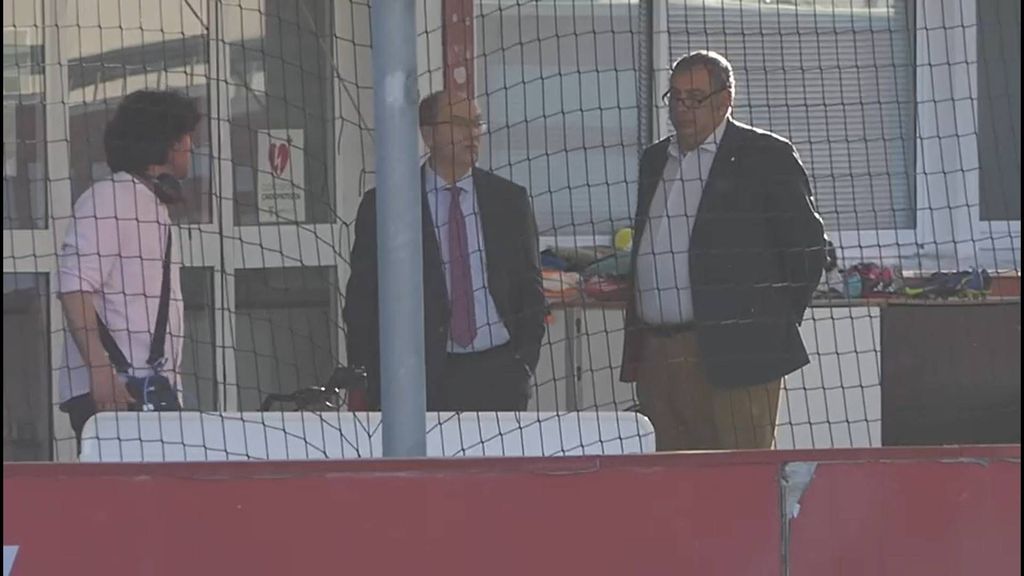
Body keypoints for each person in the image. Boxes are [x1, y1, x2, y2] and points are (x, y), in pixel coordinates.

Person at [620, 51, 827, 451]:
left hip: (739, 358)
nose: (682, 109)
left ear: (725, 100)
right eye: (675, 97)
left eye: (695, 98)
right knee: (670, 484)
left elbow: (807, 250)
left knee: (739, 482)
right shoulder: (655, 161)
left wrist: (765, 323)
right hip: (659, 356)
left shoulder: (764, 156)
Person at [344, 90, 546, 412]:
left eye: (477, 123)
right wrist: (368, 377)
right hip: (419, 379)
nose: (472, 133)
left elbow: (531, 291)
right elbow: (363, 301)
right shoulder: (388, 205)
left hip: (499, 373)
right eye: (459, 122)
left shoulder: (508, 200)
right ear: (428, 134)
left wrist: (523, 363)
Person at [57, 90, 199, 444]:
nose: (191, 147)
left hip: (149, 391)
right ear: (166, 145)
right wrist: (100, 368)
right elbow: (74, 287)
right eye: (185, 137)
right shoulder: (111, 197)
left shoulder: (150, 203)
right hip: (118, 394)